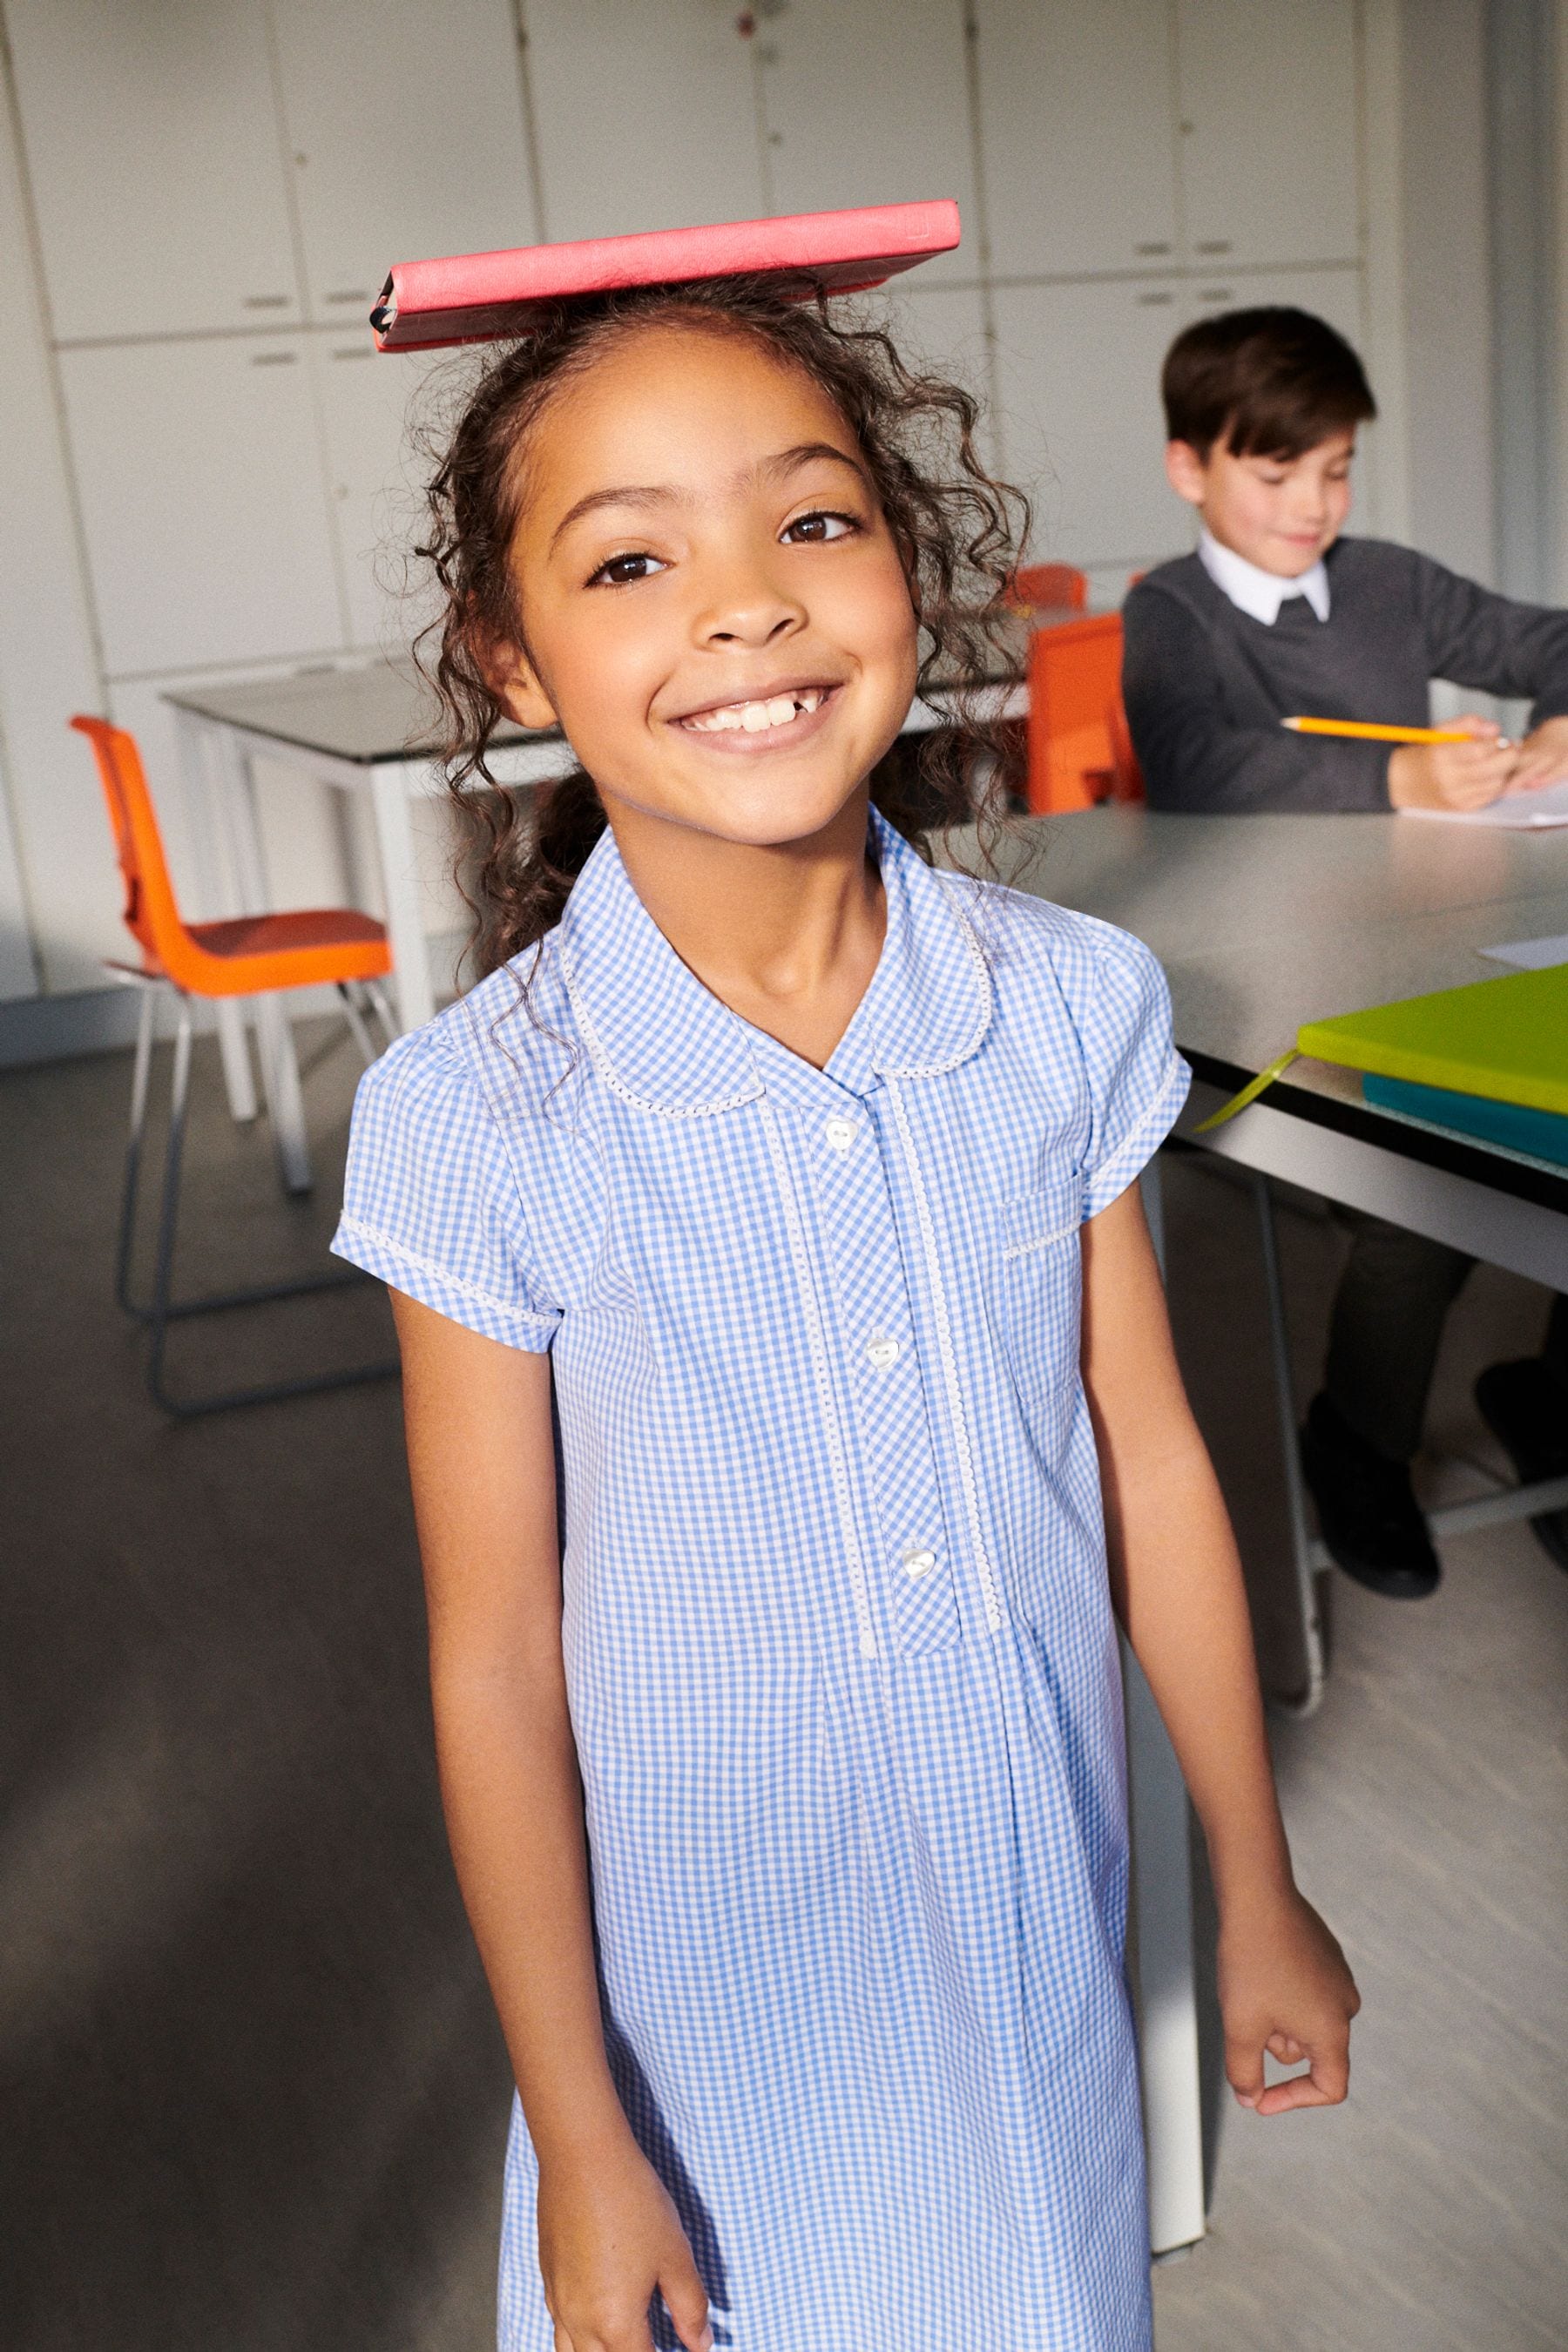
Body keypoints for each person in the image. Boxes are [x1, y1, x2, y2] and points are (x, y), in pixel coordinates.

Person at [334, 269, 1358, 2352]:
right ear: (512, 654)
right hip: (699, 2022)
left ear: (909, 566)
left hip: (1024, 1935)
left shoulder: (1064, 1006)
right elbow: (497, 1659)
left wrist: (1254, 1880)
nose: (743, 605)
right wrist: (578, 2130)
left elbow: (1149, 1460)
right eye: (632, 559)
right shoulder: (476, 1113)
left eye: (812, 522)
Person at [1122, 307, 1568, 1598]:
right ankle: (1357, 1439)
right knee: (1425, 1198)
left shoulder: (1390, 582)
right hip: (1279, 979)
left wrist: (1558, 728)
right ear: (1189, 468)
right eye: (1277, 475)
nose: (1314, 504)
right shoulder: (1172, 617)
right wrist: (1399, 781)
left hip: (1441, 942)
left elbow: (1555, 644)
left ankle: (1542, 1390)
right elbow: (1201, 763)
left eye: (1336, 468)